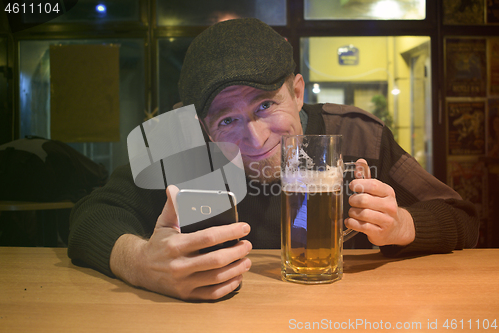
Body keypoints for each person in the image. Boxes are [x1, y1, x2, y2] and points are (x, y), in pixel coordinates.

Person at [68, 18, 479, 301]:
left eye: (266, 105)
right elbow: (91, 215)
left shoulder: (356, 135)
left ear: (297, 92)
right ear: (201, 125)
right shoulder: (185, 151)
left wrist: (402, 225)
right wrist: (140, 263)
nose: (255, 137)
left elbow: (463, 218)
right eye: (227, 119)